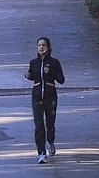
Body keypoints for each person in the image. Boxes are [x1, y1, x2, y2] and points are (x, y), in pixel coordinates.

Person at [24, 36, 65, 164]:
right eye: (39, 45)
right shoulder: (34, 62)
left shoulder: (54, 62)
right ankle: (41, 153)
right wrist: (28, 76)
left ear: (48, 47)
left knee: (50, 125)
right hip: (36, 97)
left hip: (50, 97)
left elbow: (61, 80)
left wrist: (50, 71)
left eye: (43, 45)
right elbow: (33, 76)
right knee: (39, 126)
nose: (41, 47)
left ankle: (51, 141)